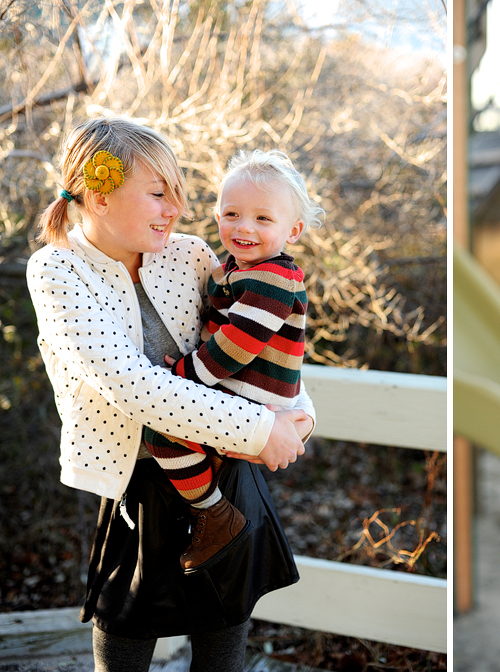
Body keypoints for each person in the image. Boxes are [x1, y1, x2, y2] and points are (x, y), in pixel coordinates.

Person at [27, 117, 314, 672]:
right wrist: (261, 430)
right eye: (159, 194)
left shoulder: (190, 255)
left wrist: (296, 418)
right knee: (124, 640)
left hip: (228, 476)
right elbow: (134, 386)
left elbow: (262, 339)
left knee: (224, 637)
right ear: (100, 195)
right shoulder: (57, 269)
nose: (177, 209)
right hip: (141, 485)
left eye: (179, 194)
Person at [142, 149, 323, 571]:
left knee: (163, 434)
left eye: (263, 219)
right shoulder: (237, 268)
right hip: (244, 397)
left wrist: (181, 373)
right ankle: (211, 508)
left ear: (293, 230)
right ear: (217, 214)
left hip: (251, 400)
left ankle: (214, 515)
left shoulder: (273, 280)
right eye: (232, 214)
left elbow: (234, 347)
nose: (244, 227)